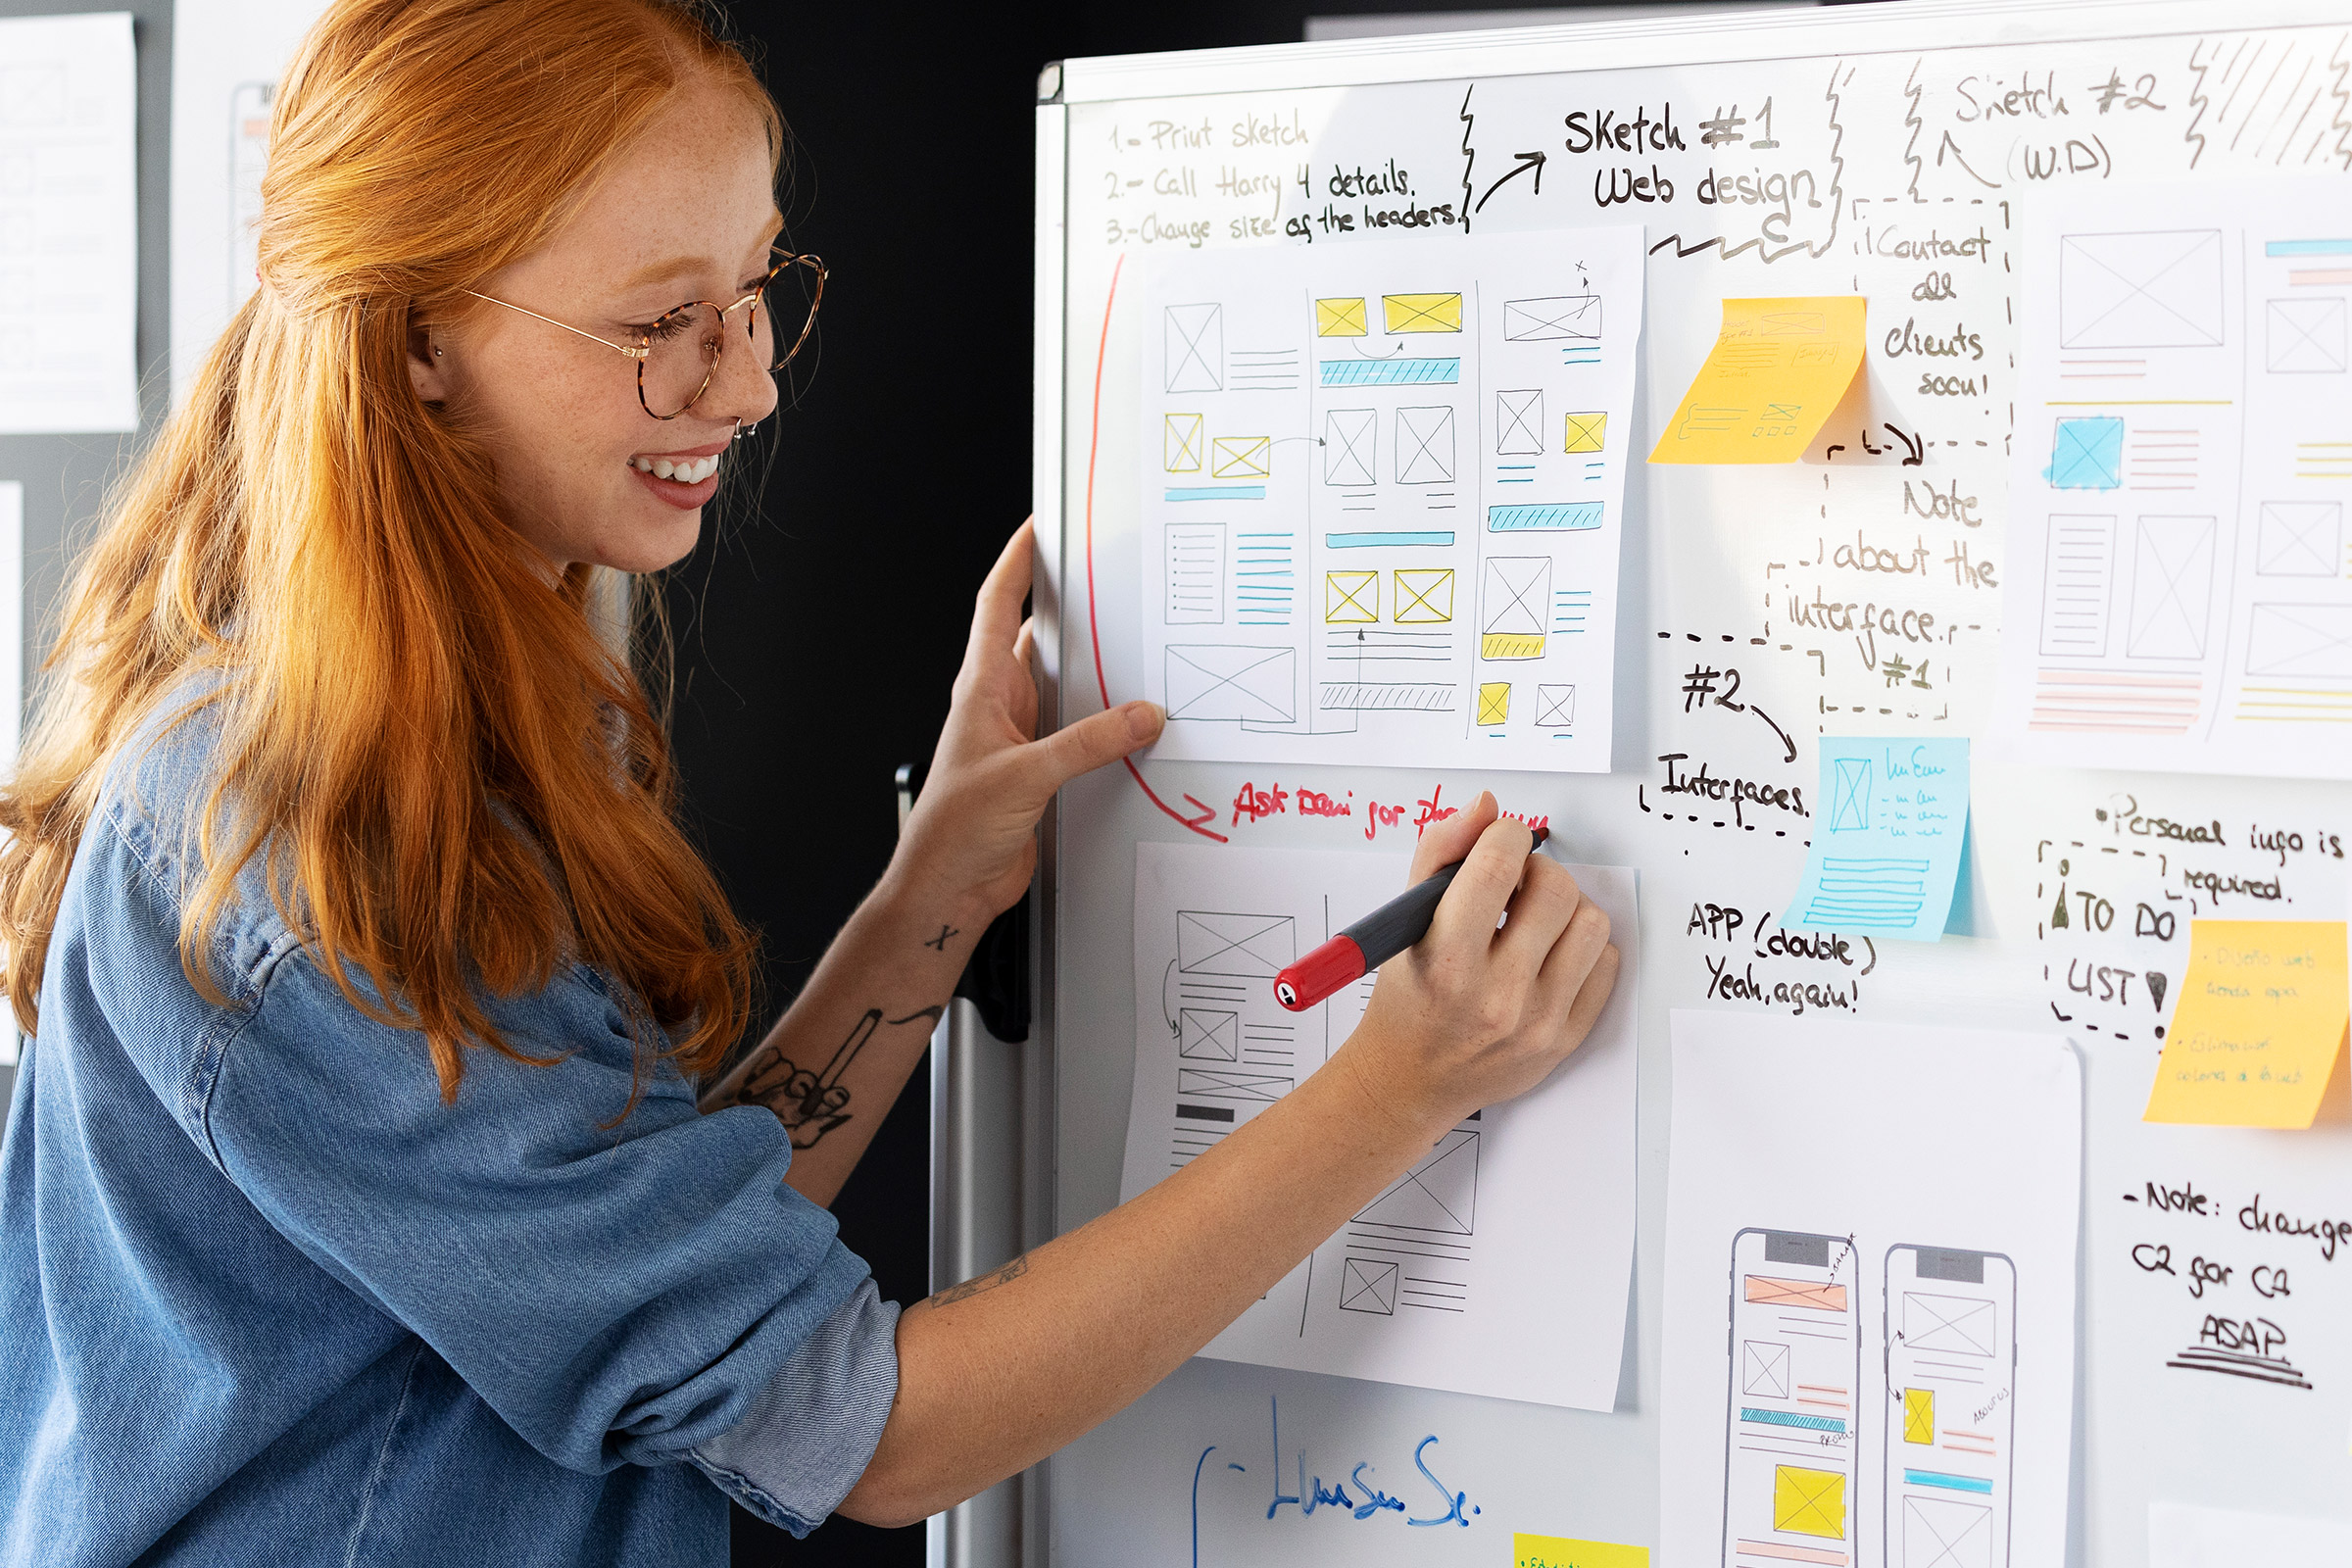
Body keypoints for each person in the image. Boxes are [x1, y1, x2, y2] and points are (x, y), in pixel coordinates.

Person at [0, 0, 1620, 1561]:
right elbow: (871, 1434)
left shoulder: (451, 724)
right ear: (421, 340)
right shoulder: (313, 848)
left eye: (756, 290)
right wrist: (1402, 1083)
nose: (747, 383)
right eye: (659, 324)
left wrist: (936, 896)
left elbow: (663, 1272)